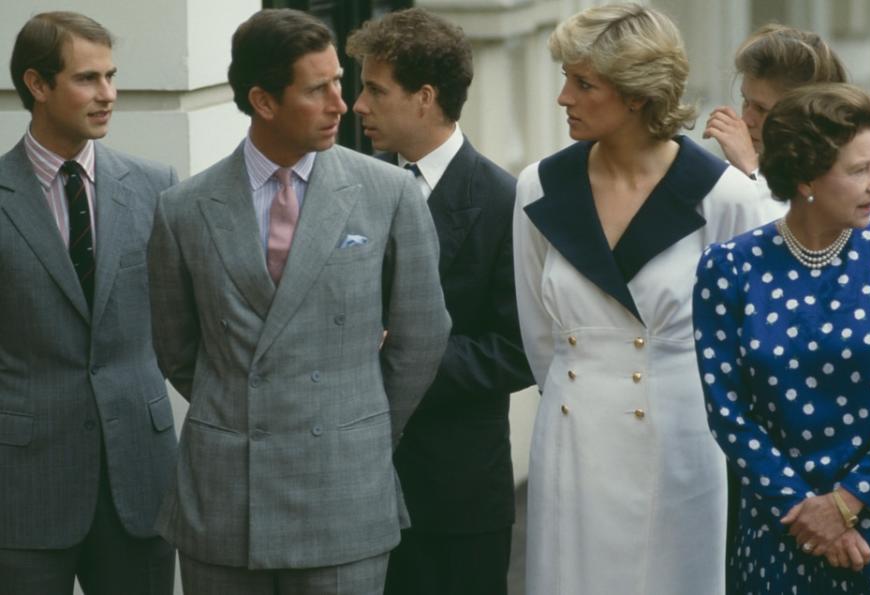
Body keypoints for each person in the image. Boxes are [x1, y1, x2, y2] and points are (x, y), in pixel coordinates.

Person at [147, 9, 450, 595]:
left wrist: (354, 421)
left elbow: (422, 337)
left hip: (344, 492)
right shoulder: (183, 208)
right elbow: (177, 348)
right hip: (226, 498)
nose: (343, 103)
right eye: (319, 89)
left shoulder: (388, 194)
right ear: (263, 101)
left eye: (340, 81)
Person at [512, 4, 764, 593]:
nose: (563, 98)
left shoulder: (726, 196)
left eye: (582, 83)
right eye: (565, 79)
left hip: (681, 442)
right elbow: (538, 333)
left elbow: (741, 346)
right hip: (572, 439)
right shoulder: (538, 186)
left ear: (635, 95)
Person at [693, 82, 870, 593]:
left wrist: (847, 503)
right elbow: (729, 411)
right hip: (783, 529)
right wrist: (806, 512)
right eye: (858, 170)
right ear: (806, 178)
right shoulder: (729, 269)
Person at [347, 9, 533, 595]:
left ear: (425, 97)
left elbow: (519, 348)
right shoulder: (356, 187)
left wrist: (405, 357)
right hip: (360, 491)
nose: (358, 105)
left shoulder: (505, 200)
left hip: (458, 498)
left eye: (376, 90)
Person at [0, 11, 178, 595]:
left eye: (111, 76)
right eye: (87, 79)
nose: (108, 95)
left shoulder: (156, 186)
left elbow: (187, 323)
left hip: (139, 476)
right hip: (24, 486)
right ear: (37, 85)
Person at [703, 24, 870, 221]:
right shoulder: (732, 175)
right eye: (746, 102)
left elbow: (785, 240)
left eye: (762, 109)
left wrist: (751, 169)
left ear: (811, 115)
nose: (746, 120)